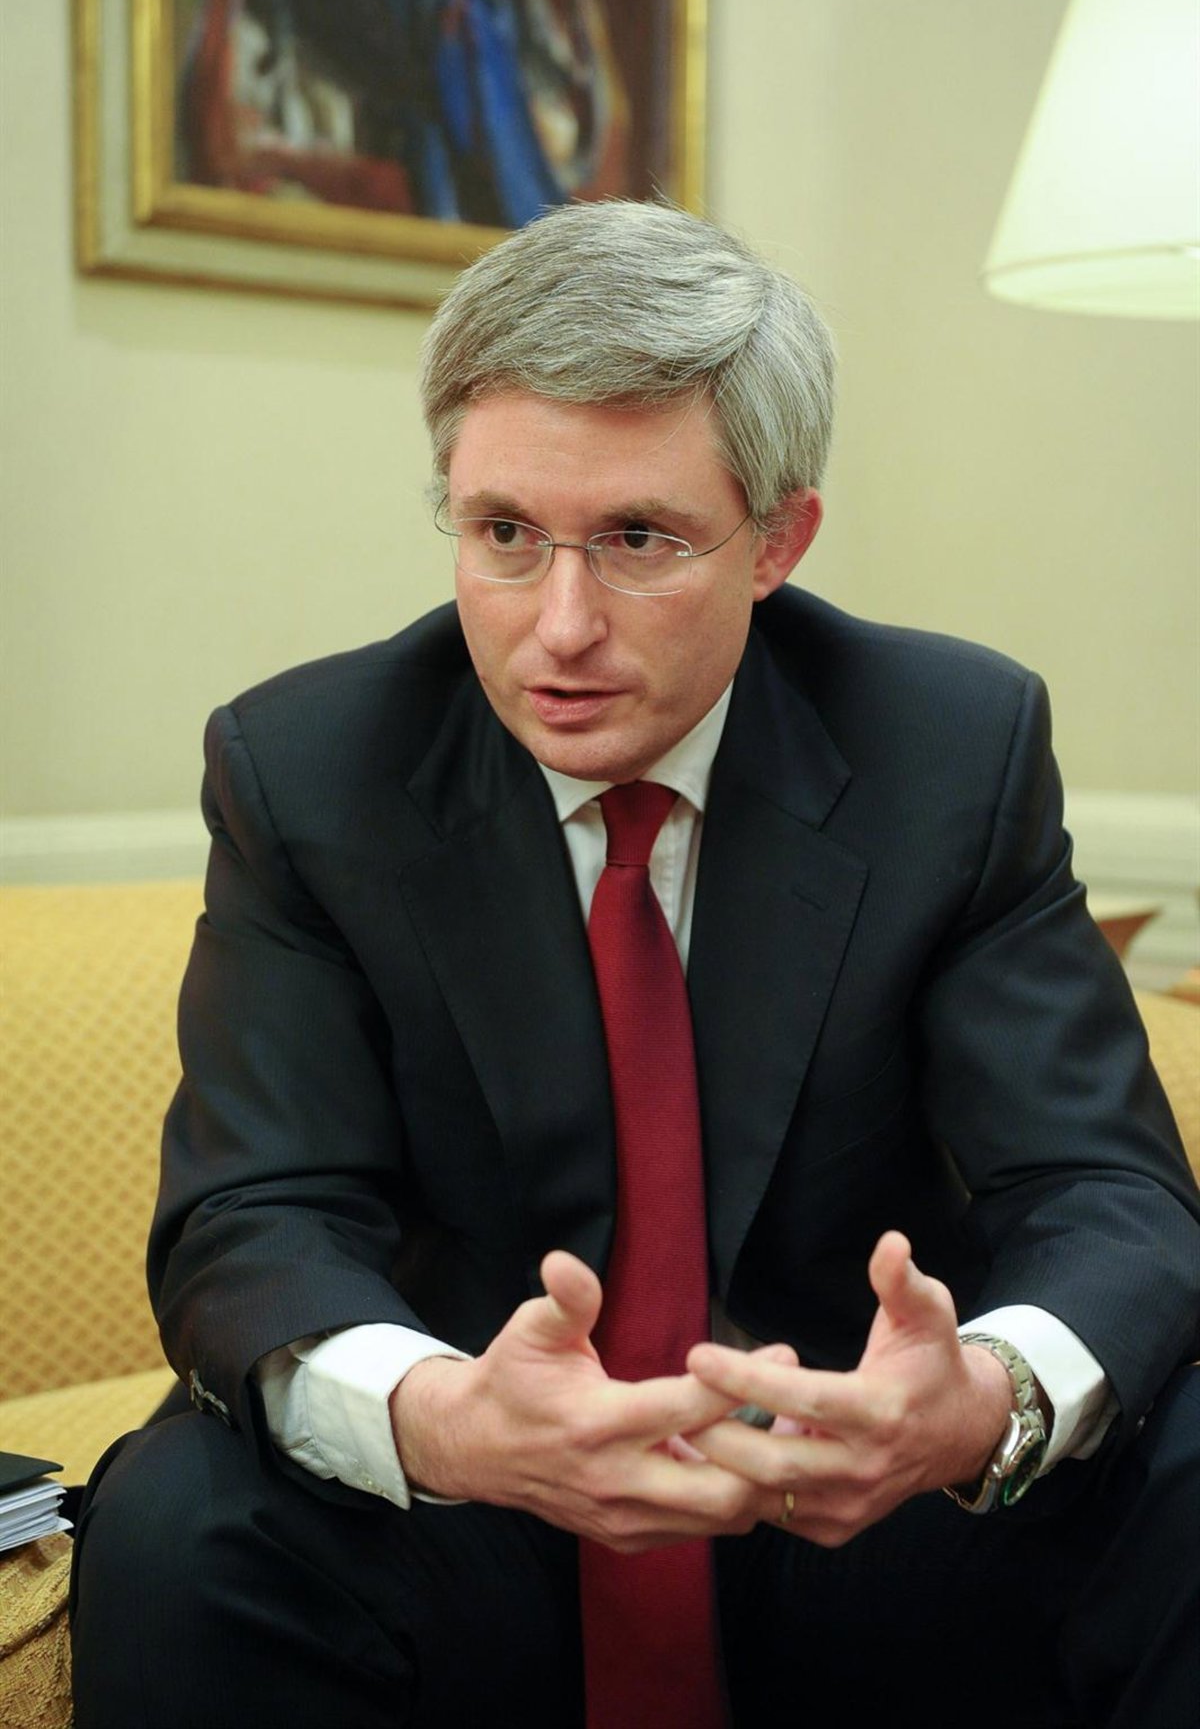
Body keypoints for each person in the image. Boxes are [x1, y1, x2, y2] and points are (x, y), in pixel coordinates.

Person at [70, 200, 1200, 1728]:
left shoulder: (951, 749)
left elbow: (1105, 1191)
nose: (561, 628)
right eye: (504, 534)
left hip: (860, 1500)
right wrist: (443, 1416)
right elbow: (252, 1215)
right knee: (180, 1519)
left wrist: (975, 1403)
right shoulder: (308, 771)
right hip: (477, 1512)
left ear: (778, 540)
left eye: (638, 540)